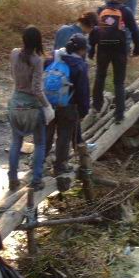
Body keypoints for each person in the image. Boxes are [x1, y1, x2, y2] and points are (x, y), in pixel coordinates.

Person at [8, 26, 54, 192]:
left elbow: (12, 74)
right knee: (40, 143)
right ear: (38, 42)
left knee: (16, 142)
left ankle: (13, 179)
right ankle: (36, 180)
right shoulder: (37, 60)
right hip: (32, 107)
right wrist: (47, 106)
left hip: (15, 103)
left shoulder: (14, 53)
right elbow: (36, 90)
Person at [89, 0, 139, 124]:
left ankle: (96, 107)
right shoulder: (126, 11)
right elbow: (135, 31)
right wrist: (137, 49)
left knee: (100, 77)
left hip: (103, 49)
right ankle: (119, 115)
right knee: (119, 82)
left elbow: (94, 31)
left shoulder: (101, 10)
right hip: (120, 50)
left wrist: (91, 49)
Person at [45, 34, 91, 176]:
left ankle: (39, 161)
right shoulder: (79, 66)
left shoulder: (53, 57)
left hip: (48, 103)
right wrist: (83, 111)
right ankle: (60, 166)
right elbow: (83, 92)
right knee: (64, 136)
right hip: (68, 106)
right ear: (81, 50)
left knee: (47, 134)